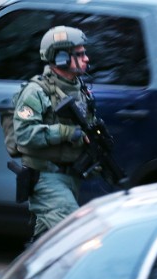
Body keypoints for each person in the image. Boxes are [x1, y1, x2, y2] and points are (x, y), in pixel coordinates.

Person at [12, 26, 95, 244]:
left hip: (70, 177)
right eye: (80, 54)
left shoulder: (80, 89)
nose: (86, 58)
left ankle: (29, 276)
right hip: (46, 178)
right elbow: (24, 134)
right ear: (60, 57)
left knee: (45, 245)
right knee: (75, 236)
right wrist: (67, 132)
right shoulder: (36, 91)